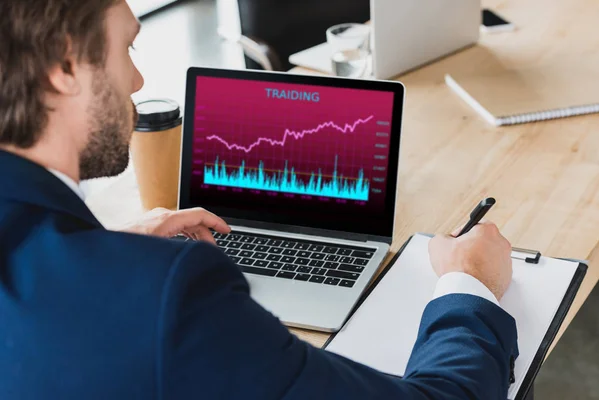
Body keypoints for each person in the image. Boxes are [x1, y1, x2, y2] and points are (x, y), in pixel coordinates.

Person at [0, 1, 518, 399]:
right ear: (65, 66)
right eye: (127, 48)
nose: (137, 80)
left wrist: (99, 250)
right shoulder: (173, 294)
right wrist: (467, 283)